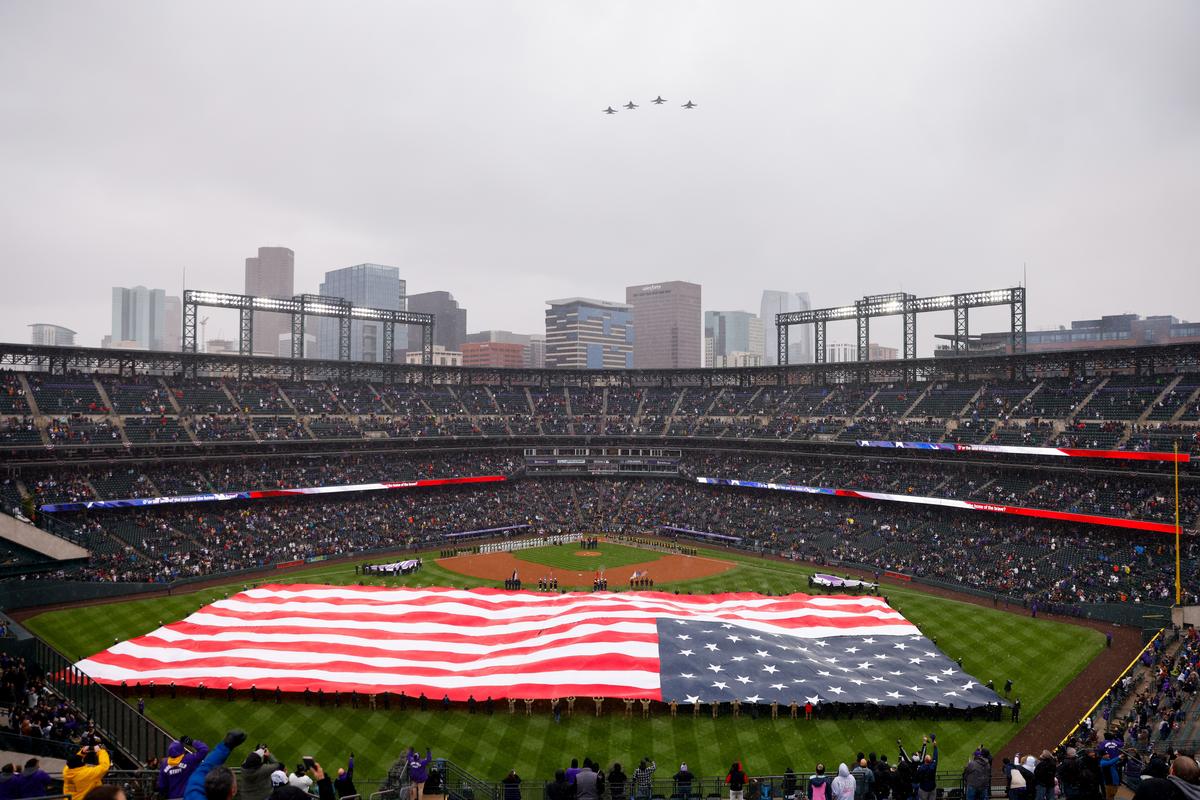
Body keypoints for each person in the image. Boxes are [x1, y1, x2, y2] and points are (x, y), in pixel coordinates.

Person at [185, 729, 247, 800]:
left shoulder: (193, 794)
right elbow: (202, 772)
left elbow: (203, 771)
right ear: (231, 792)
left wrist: (226, 746)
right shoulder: (193, 792)